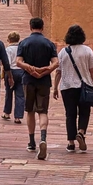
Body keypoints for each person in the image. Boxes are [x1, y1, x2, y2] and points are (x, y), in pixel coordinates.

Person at [16, 17, 58, 160]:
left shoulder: (24, 43)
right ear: (42, 27)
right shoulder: (49, 44)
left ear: (30, 27)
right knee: (43, 111)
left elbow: (18, 62)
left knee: (30, 111)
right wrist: (46, 70)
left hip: (28, 80)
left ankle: (32, 142)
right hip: (44, 81)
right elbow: (56, 63)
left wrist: (30, 69)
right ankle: (43, 138)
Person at [53, 25, 93, 152]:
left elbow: (58, 72)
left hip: (67, 87)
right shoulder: (87, 50)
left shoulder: (63, 52)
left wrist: (55, 87)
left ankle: (71, 143)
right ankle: (81, 132)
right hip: (84, 86)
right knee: (85, 111)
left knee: (70, 114)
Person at [1, 31, 24, 123]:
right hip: (21, 71)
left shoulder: (8, 49)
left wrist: (6, 74)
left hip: (11, 72)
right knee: (20, 95)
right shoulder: (21, 48)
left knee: (9, 93)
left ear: (9, 39)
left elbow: (7, 63)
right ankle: (18, 116)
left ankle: (7, 113)